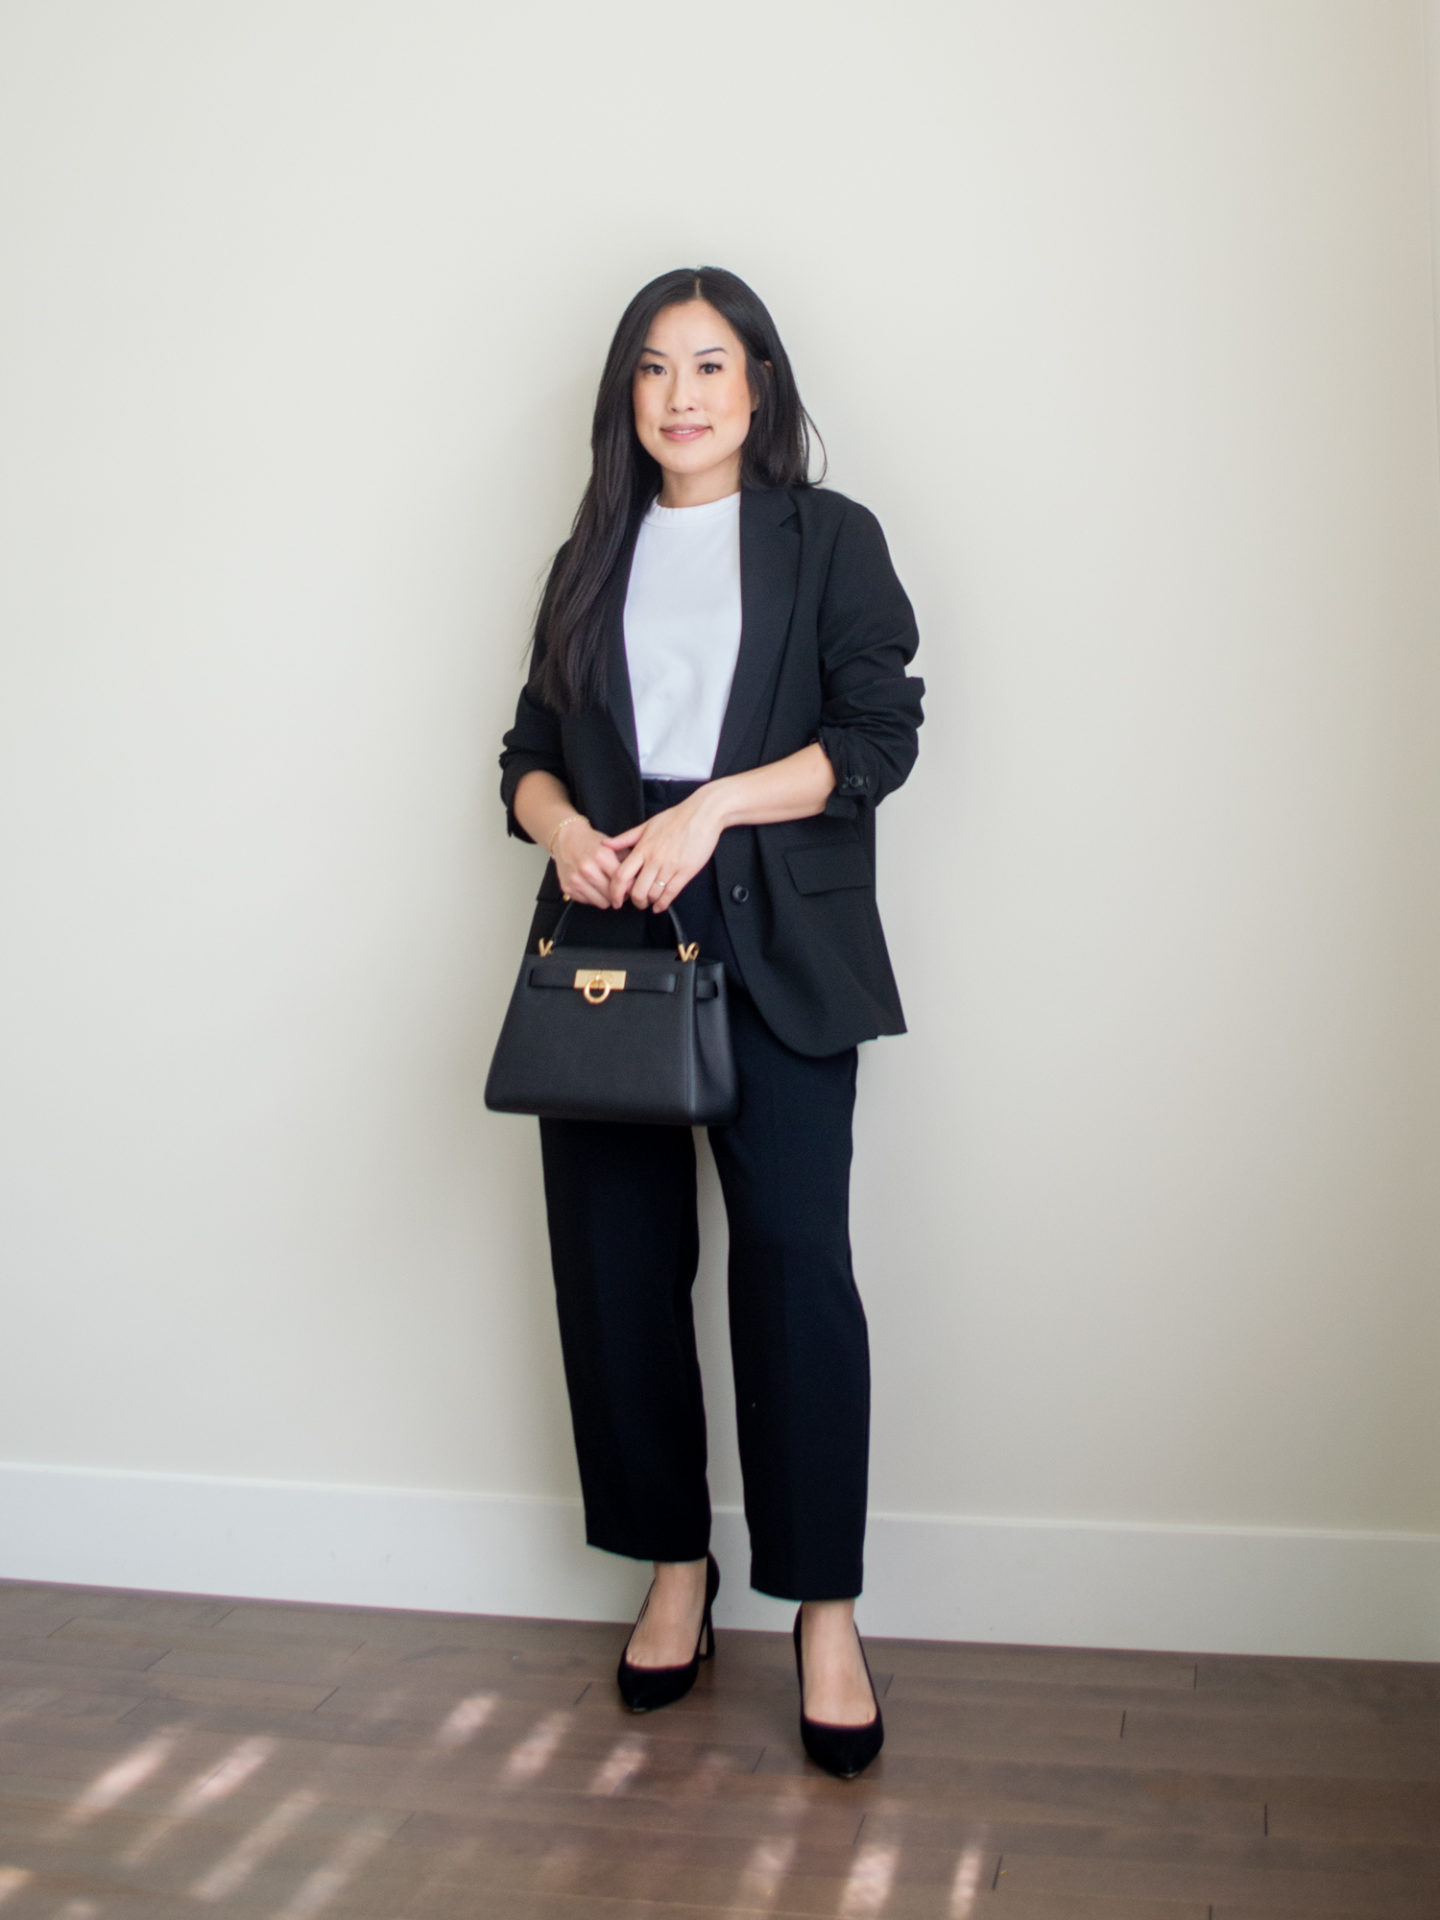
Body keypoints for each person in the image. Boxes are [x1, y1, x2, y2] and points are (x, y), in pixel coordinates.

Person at [498, 265, 923, 1778]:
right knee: (618, 1280)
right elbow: (529, 755)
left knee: (799, 1281)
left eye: (713, 366)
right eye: (655, 369)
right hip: (611, 952)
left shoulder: (830, 540)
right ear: (629, 397)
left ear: (758, 389)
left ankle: (822, 1609)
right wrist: (562, 829)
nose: (684, 395)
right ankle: (673, 1569)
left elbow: (878, 737)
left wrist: (712, 812)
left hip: (784, 954)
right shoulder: (589, 553)